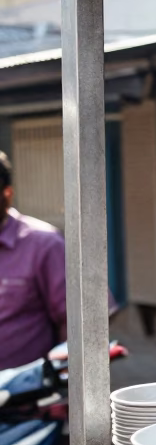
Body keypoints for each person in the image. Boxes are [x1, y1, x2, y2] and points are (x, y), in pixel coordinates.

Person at [0, 151, 69, 369]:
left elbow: (84, 322)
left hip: (27, 398)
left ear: (7, 194)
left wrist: (63, 381)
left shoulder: (44, 245)